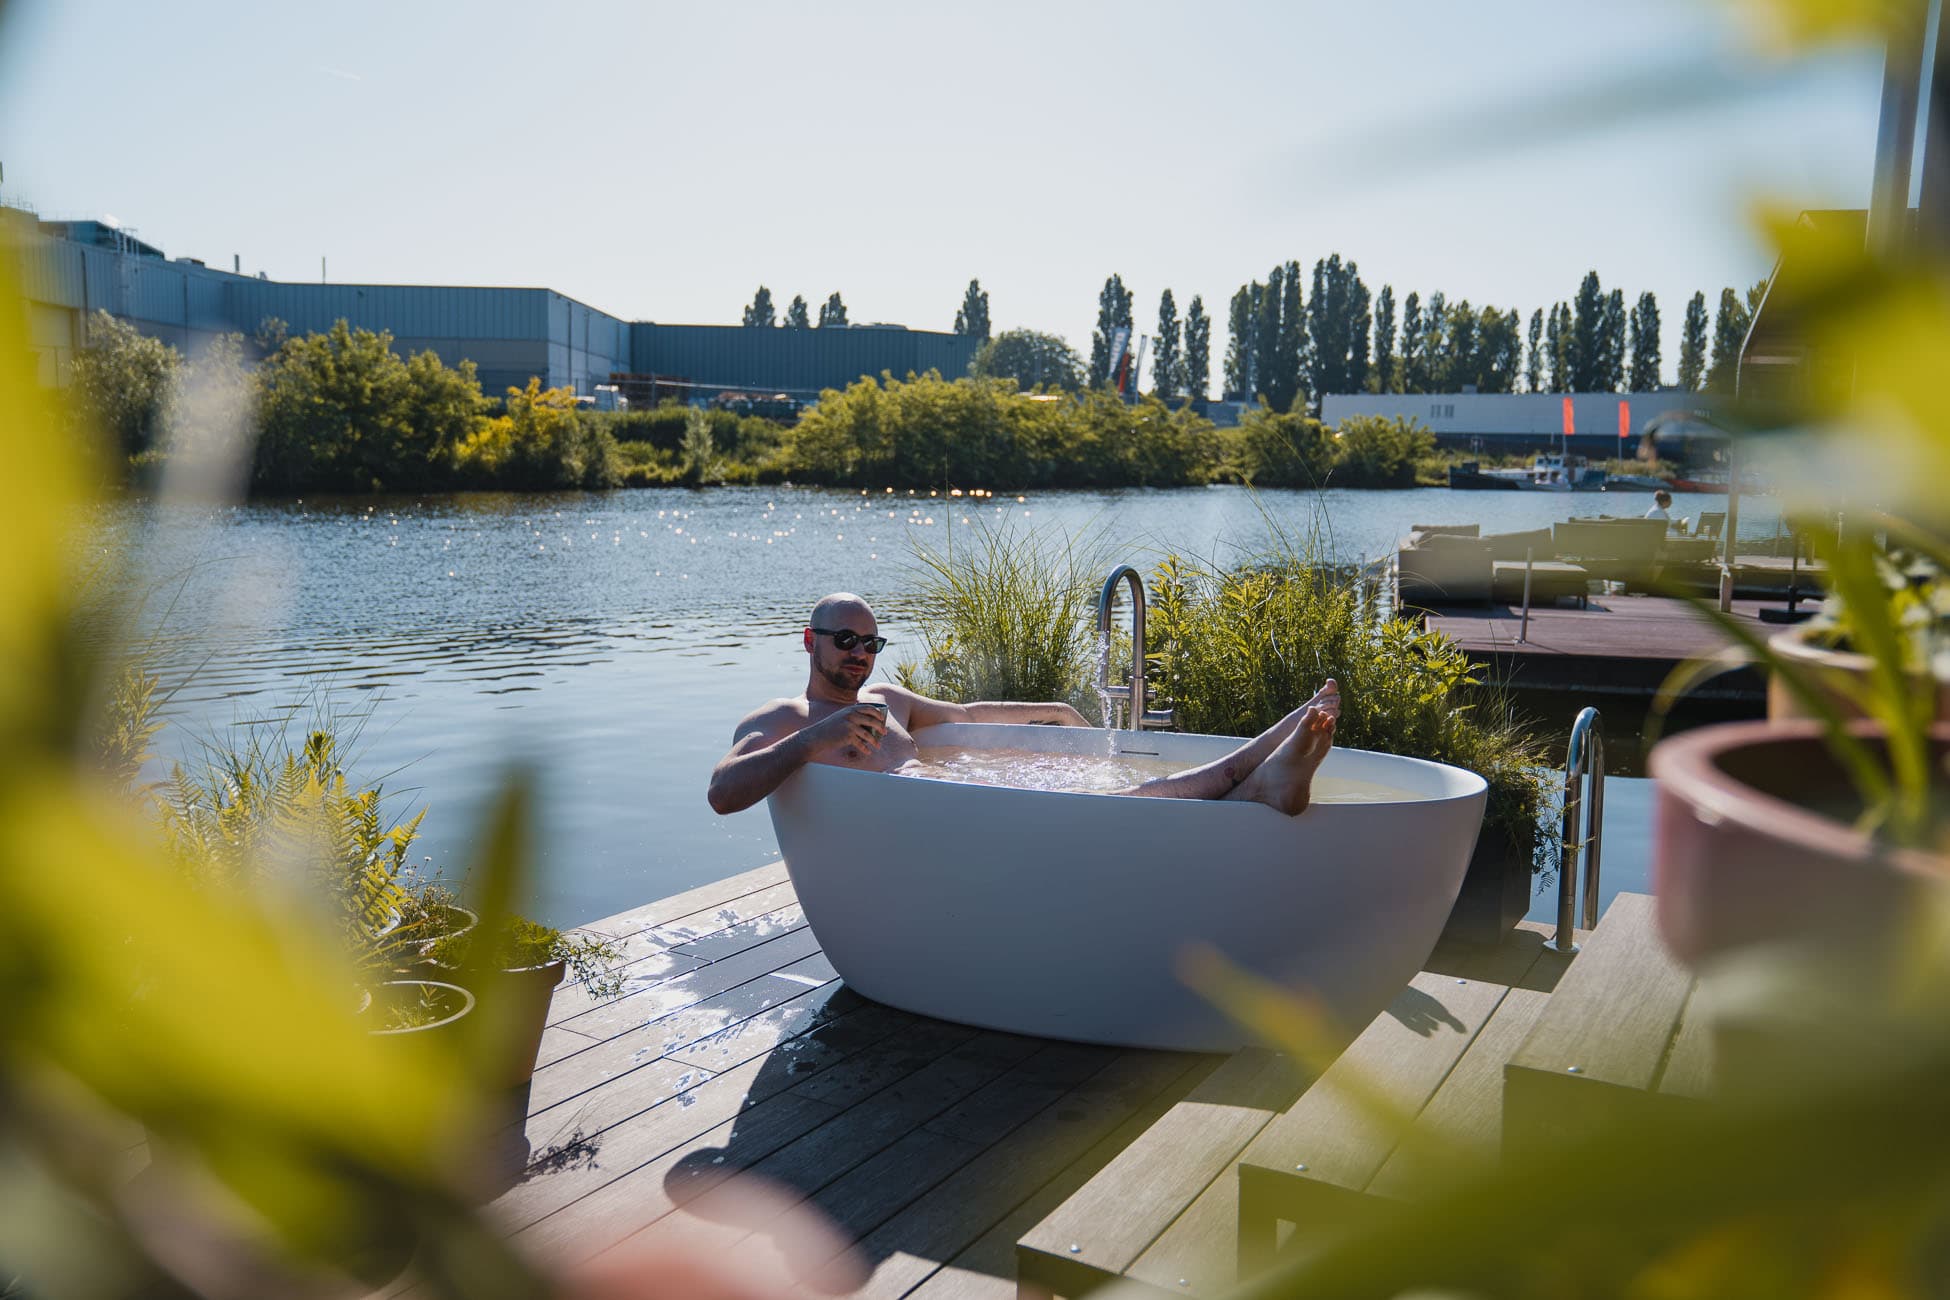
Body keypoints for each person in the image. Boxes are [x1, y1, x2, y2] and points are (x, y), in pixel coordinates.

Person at [707, 592, 1340, 818]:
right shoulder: (783, 720)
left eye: (870, 642)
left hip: (971, 799)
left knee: (1124, 799)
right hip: (946, 823)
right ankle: (1251, 773)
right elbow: (723, 791)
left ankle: (1259, 785)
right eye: (845, 641)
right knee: (1124, 805)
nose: (860, 653)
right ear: (810, 641)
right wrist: (814, 740)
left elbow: (969, 714)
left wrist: (1055, 710)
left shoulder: (887, 699)